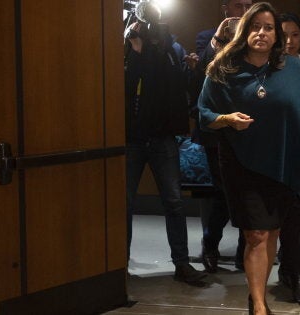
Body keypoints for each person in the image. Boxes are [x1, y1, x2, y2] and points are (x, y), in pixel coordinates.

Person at [197, 3, 300, 314]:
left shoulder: (295, 70)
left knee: (271, 231)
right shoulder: (223, 69)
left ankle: (255, 293)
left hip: (284, 163)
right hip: (241, 162)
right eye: (255, 26)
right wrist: (227, 119)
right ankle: (259, 306)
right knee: (255, 232)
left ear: (277, 36)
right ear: (245, 31)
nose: (261, 32)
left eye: (268, 27)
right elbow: (205, 113)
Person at [124, 0, 205, 284]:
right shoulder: (129, 45)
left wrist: (190, 70)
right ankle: (116, 266)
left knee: (174, 202)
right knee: (125, 203)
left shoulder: (173, 49)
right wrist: (135, 51)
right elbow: (125, 84)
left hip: (162, 137)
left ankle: (181, 264)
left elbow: (176, 86)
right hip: (131, 136)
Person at [190, 0, 253, 273]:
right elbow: (204, 70)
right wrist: (220, 35)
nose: (243, 10)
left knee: (247, 192)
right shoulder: (208, 37)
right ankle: (210, 245)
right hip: (217, 128)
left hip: (249, 127)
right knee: (222, 193)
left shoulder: (255, 38)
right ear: (225, 8)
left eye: (248, 5)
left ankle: (244, 252)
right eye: (238, 5)